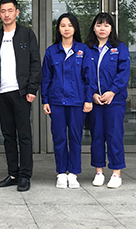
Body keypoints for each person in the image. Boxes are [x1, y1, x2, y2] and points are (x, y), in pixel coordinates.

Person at [0, 0, 41, 192]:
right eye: (3, 11)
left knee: (24, 135)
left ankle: (25, 175)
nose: (6, 14)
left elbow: (35, 63)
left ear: (17, 12)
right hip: (2, 93)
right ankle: (13, 174)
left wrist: (32, 89)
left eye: (10, 10)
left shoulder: (27, 34)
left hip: (21, 93)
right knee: (8, 136)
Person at [41, 13, 94, 189]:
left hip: (77, 102)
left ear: (75, 28)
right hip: (56, 101)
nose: (66, 29)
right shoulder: (51, 51)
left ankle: (73, 173)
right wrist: (45, 100)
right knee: (59, 138)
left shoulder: (83, 50)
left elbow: (89, 77)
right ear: (58, 29)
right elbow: (46, 78)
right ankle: (61, 173)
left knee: (75, 138)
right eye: (63, 25)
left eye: (70, 25)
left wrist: (88, 99)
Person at [85, 12, 130, 189]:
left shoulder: (119, 48)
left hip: (115, 100)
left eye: (106, 25)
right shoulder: (87, 49)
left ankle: (116, 173)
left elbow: (123, 72)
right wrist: (92, 94)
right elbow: (83, 75)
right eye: (99, 25)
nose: (102, 28)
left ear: (111, 28)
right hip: (95, 100)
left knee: (114, 135)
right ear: (93, 28)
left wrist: (112, 92)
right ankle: (99, 171)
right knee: (97, 136)